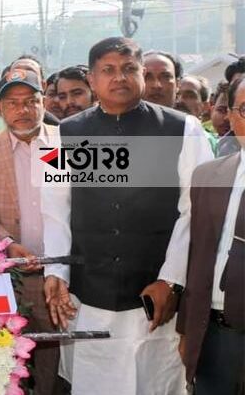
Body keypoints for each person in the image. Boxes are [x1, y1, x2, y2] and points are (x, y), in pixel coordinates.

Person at [42, 37, 213, 395]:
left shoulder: (183, 130)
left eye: (128, 68)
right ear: (92, 79)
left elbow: (195, 211)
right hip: (89, 295)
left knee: (154, 380)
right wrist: (56, 270)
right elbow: (56, 210)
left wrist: (172, 280)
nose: (119, 77)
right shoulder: (63, 135)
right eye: (108, 70)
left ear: (141, 74)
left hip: (154, 297)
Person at [0, 68, 60, 395]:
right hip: (13, 277)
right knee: (11, 361)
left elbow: (71, 206)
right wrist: (7, 243)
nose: (22, 110)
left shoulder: (61, 144)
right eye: (13, 103)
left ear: (43, 102)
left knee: (57, 359)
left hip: (58, 275)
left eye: (30, 101)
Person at [177, 75, 245, 395]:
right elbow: (198, 257)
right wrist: (187, 331)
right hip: (215, 339)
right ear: (230, 115)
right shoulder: (208, 176)